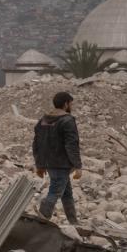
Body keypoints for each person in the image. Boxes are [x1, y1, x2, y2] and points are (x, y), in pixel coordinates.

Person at [33, 89, 82, 224]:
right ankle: (41, 222)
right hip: (61, 164)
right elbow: (72, 145)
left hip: (49, 163)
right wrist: (78, 166)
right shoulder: (67, 120)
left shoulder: (43, 120)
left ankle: (73, 222)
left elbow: (37, 144)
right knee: (54, 193)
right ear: (66, 104)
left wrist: (40, 165)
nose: (71, 107)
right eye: (71, 104)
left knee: (67, 193)